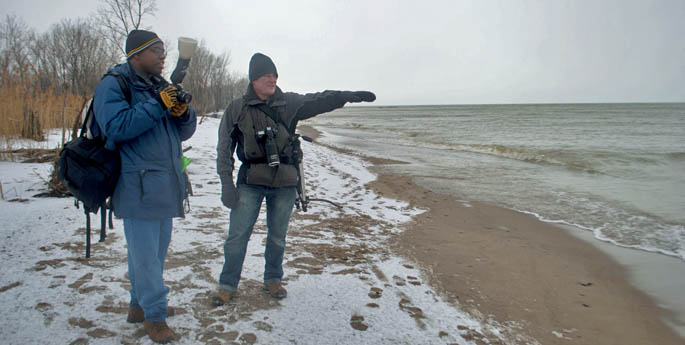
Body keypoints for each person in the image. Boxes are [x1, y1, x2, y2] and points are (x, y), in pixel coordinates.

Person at [212, 52, 375, 306]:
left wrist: (345, 96)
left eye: (275, 74)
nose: (272, 78)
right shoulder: (237, 108)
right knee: (237, 236)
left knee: (278, 236)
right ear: (253, 78)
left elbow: (319, 99)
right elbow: (224, 150)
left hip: (285, 183)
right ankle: (227, 284)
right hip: (250, 182)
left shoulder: (289, 102)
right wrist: (226, 184)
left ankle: (273, 279)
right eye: (266, 74)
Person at [92, 29, 197, 343]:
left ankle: (139, 306)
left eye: (164, 50)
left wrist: (182, 114)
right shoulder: (114, 84)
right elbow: (116, 126)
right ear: (135, 54)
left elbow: (183, 133)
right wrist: (158, 104)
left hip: (165, 182)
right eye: (156, 50)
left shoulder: (159, 86)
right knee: (146, 257)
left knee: (153, 254)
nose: (163, 56)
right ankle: (155, 316)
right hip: (136, 185)